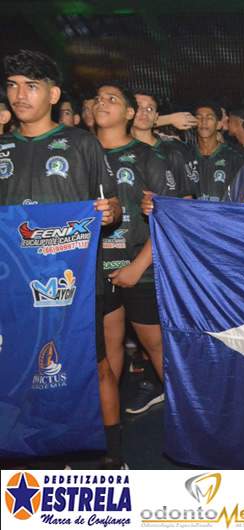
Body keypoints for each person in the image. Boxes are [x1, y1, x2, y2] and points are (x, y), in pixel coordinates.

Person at [1, 50, 123, 467]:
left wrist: (110, 212)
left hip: (73, 280)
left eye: (31, 86)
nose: (20, 95)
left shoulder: (81, 143)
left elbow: (113, 205)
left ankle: (111, 456)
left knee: (93, 364)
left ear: (53, 95)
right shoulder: (2, 147)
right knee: (19, 367)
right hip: (13, 284)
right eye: (13, 85)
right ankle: (38, 451)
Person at [93, 81, 176, 420]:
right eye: (98, 98)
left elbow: (169, 219)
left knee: (156, 346)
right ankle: (108, 428)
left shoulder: (148, 156)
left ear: (129, 112)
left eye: (111, 99)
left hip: (141, 268)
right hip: (94, 269)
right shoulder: (80, 153)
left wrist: (138, 267)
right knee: (107, 350)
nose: (101, 103)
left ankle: (187, 419)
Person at [189, 102, 244, 201]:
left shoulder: (234, 158)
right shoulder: (185, 155)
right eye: (199, 117)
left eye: (209, 118)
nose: (204, 121)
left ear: (219, 124)